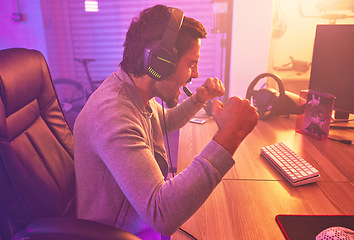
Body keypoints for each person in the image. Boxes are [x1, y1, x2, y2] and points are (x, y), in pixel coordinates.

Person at [73, 4, 259, 239]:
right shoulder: (113, 114)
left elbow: (164, 122)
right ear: (160, 63)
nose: (196, 74)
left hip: (138, 220)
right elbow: (161, 214)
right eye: (191, 64)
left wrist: (199, 98)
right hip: (120, 233)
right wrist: (230, 135)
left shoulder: (136, 92)